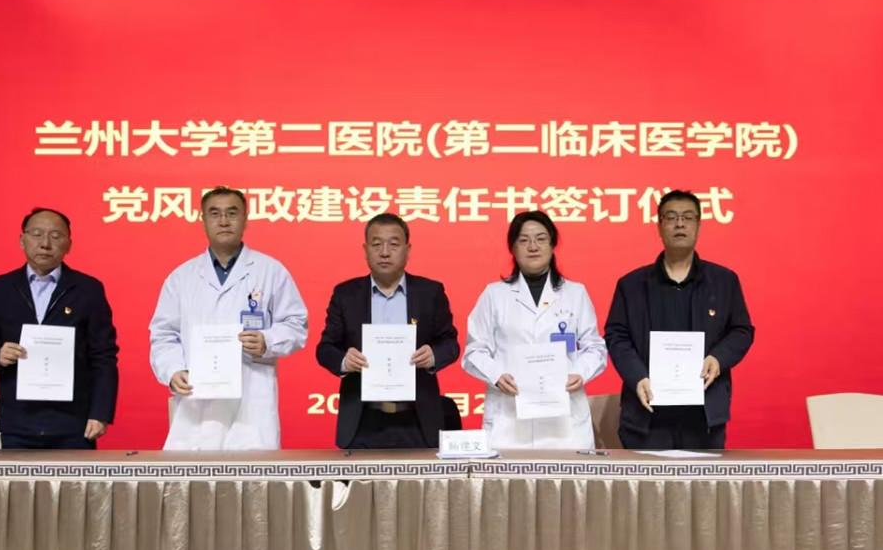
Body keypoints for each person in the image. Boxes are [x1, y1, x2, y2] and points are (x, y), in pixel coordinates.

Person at [149, 186, 308, 450]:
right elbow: (164, 333)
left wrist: (267, 341)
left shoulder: (270, 270)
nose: (223, 221)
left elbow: (295, 324)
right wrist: (173, 370)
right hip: (197, 398)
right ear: (203, 221)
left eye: (232, 213)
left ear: (245, 219)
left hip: (252, 400)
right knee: (195, 474)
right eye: (215, 214)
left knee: (252, 473)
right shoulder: (181, 277)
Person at [604, 189, 755, 449]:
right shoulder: (631, 285)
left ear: (698, 225)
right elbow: (617, 336)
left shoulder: (724, 281)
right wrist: (637, 376)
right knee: (646, 477)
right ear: (659, 225)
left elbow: (741, 330)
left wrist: (718, 358)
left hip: (704, 414)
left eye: (688, 217)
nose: (680, 224)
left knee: (703, 478)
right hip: (646, 413)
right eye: (671, 217)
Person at [0, 207, 119, 449]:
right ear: (22, 240)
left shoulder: (88, 289)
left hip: (74, 423)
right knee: (17, 476)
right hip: (18, 422)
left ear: (69, 245)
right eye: (36, 234)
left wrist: (100, 413)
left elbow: (104, 356)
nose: (45, 243)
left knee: (75, 477)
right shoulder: (0, 288)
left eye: (55, 236)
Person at [462, 210, 607, 449]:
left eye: (541, 239)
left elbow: (595, 348)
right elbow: (474, 351)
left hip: (564, 420)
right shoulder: (494, 294)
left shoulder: (575, 293)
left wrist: (579, 373)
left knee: (567, 474)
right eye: (524, 240)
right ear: (512, 248)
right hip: (509, 418)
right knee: (508, 474)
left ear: (552, 245)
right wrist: (497, 375)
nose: (533, 246)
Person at [316, 213, 459, 449]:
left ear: (407, 250)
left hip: (418, 419)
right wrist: (344, 361)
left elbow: (450, 343)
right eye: (376, 244)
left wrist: (434, 356)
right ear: (365, 250)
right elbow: (325, 349)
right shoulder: (346, 294)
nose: (385, 252)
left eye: (393, 244)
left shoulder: (430, 292)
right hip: (363, 420)